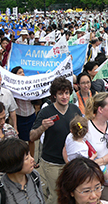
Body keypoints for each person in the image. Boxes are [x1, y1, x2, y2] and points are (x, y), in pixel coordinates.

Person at [30, 76, 81, 204]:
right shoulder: (46, 112)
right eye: (60, 93)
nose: (64, 96)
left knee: (69, 193)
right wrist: (43, 127)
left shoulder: (75, 110)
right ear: (54, 95)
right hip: (52, 162)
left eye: (67, 93)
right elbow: (31, 136)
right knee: (56, 195)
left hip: (71, 161)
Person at [64, 115, 108, 188]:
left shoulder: (69, 137)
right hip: (79, 166)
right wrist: (93, 156)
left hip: (71, 160)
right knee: (102, 166)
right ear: (87, 131)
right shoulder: (83, 147)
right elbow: (86, 162)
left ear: (71, 131)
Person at [0, 138, 45, 203]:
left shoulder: (34, 176)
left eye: (30, 155)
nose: (32, 159)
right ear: (14, 164)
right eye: (27, 158)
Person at [11, 66, 37, 166]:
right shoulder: (13, 88)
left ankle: (32, 159)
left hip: (31, 115)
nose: (22, 74)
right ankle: (22, 160)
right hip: (19, 116)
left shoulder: (29, 84)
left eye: (23, 72)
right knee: (20, 140)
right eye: (19, 72)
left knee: (31, 139)